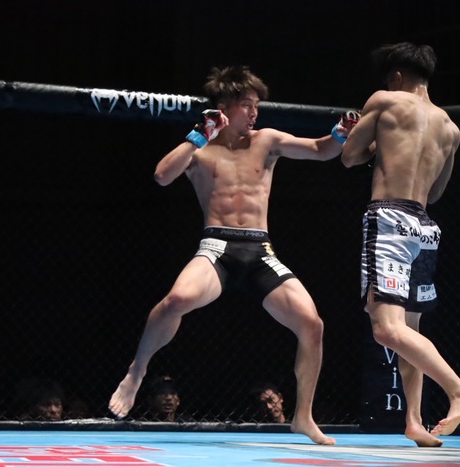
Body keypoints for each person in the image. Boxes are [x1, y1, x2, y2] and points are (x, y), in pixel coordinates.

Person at [108, 65, 356, 445]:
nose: (255, 113)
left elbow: (321, 150)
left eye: (257, 105)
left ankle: (303, 416)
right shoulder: (199, 149)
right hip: (217, 246)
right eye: (247, 105)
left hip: (260, 249)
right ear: (224, 106)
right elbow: (161, 175)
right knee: (176, 301)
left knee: (312, 324)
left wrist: (340, 133)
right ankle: (137, 371)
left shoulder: (267, 140)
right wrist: (198, 136)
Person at [341, 42, 460, 447]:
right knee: (410, 330)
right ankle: (414, 422)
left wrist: (375, 145)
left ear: (397, 76)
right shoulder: (450, 128)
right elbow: (436, 191)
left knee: (386, 330)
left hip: (388, 218)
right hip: (424, 227)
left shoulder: (385, 100)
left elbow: (350, 156)